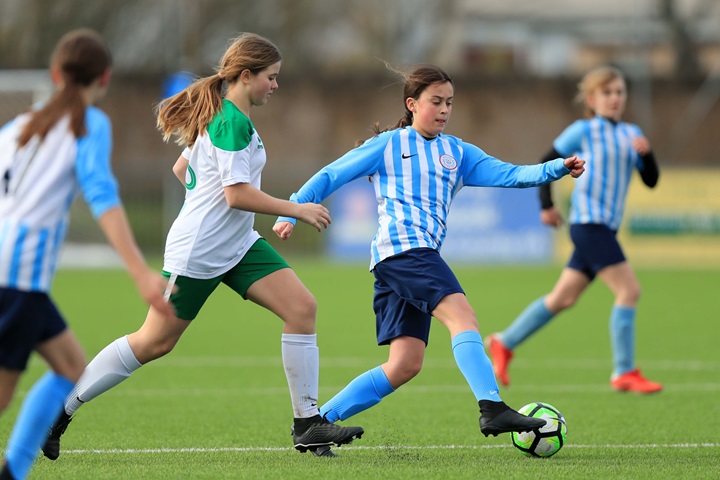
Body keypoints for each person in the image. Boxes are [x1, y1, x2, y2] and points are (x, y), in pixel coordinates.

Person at [41, 32, 363, 461]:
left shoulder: (226, 116)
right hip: (199, 251)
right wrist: (295, 208)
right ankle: (60, 410)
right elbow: (235, 194)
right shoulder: (231, 121)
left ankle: (307, 423)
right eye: (270, 76)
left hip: (237, 244)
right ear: (246, 76)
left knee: (302, 308)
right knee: (154, 342)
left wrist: (207, 201)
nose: (275, 85)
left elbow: (184, 168)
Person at [272, 64, 585, 451]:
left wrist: (556, 168)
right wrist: (292, 210)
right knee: (462, 316)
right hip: (404, 251)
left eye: (449, 102)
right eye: (436, 101)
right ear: (412, 104)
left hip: (401, 261)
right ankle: (492, 407)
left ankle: (316, 425)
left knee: (405, 364)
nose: (444, 110)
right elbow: (330, 175)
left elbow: (511, 175)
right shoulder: (388, 145)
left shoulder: (458, 152)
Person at [0, 29, 175, 480]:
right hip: (16, 278)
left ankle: (12, 472)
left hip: (19, 281)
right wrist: (140, 272)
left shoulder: (17, 128)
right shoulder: (89, 124)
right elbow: (100, 193)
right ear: (105, 78)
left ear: (56, 74)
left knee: (70, 366)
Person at [486, 65, 661, 394]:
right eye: (607, 92)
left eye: (619, 92)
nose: (614, 98)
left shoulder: (631, 134)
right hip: (588, 225)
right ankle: (624, 371)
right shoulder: (582, 131)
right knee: (629, 291)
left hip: (604, 228)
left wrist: (647, 155)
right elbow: (546, 161)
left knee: (562, 298)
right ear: (591, 99)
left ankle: (504, 341)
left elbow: (651, 181)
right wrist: (547, 205)